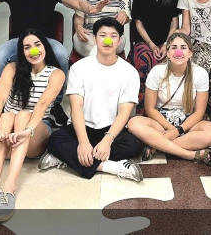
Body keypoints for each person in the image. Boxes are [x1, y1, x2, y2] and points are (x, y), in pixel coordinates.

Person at [0, 29, 65, 222]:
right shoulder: (12, 68)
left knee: (23, 114)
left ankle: (9, 188)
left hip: (34, 134)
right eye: (27, 47)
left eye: (37, 45)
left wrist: (28, 130)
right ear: (22, 51)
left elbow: (42, 105)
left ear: (45, 47)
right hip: (8, 136)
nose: (33, 51)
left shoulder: (56, 74)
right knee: (7, 116)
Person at [38, 17, 143, 182]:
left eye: (113, 36)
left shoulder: (130, 72)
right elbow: (76, 107)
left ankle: (67, 158)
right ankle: (111, 167)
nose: (108, 40)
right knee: (54, 140)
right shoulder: (79, 68)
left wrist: (107, 141)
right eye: (102, 35)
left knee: (134, 144)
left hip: (110, 130)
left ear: (120, 41)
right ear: (95, 39)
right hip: (82, 127)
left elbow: (124, 112)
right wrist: (83, 142)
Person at [127, 32, 211, 165]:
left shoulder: (200, 73)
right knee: (133, 123)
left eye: (183, 48)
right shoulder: (157, 72)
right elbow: (150, 109)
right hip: (161, 123)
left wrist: (179, 130)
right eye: (174, 47)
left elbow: (199, 112)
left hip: (188, 124)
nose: (178, 52)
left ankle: (157, 146)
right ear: (168, 53)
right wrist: (171, 130)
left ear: (190, 53)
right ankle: (189, 154)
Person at [129, 0, 181, 114]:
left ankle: (166, 108)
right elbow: (138, 24)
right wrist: (152, 45)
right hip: (145, 42)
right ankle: (144, 109)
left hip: (167, 42)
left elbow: (174, 22)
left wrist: (166, 44)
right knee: (147, 58)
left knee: (172, 59)